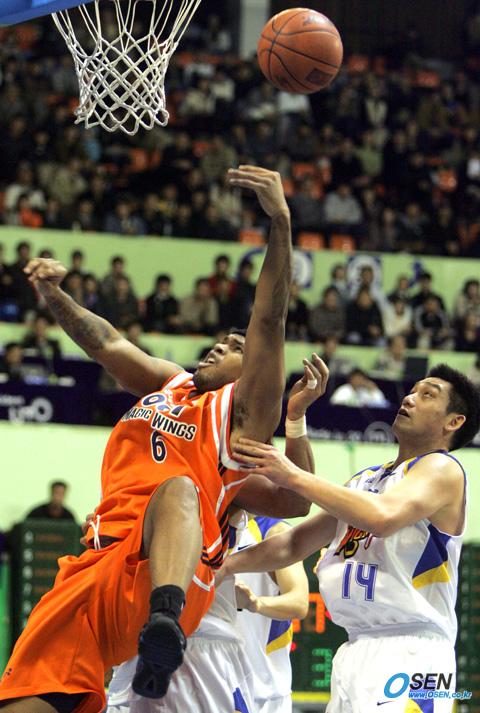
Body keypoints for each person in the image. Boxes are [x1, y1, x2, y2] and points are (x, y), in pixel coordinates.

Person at [0, 166, 305, 713]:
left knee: (179, 489)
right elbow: (108, 344)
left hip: (168, 578)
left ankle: (164, 626)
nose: (220, 347)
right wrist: (53, 294)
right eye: (219, 341)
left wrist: (280, 224)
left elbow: (269, 319)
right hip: (99, 561)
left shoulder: (240, 417)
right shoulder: (172, 383)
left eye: (235, 347)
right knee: (28, 699)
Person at [221, 364, 480, 712]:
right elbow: (293, 544)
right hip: (354, 650)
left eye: (427, 395)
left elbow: (383, 517)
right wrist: (222, 566)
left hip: (414, 650)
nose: (409, 398)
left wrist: (292, 476)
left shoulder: (443, 468)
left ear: (454, 421)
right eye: (412, 391)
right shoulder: (365, 480)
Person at [105, 361, 318, 713]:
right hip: (164, 639)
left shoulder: (267, 526)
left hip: (247, 671)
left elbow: (298, 601)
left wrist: (255, 603)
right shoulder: (178, 489)